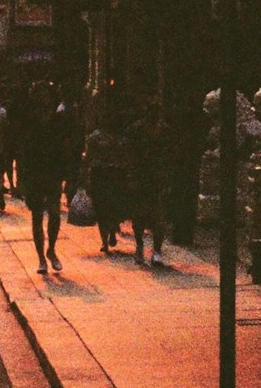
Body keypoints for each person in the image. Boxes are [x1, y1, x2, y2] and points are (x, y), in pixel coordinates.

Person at [22, 88, 73, 273]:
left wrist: (68, 175)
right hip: (35, 174)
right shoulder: (31, 124)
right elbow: (24, 152)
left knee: (54, 212)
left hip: (53, 173)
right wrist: (22, 179)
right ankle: (41, 258)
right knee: (37, 216)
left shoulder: (58, 123)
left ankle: (51, 249)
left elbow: (65, 149)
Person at [83, 108, 130, 254]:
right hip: (100, 175)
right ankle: (104, 240)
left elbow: (126, 157)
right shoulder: (95, 137)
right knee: (101, 209)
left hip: (117, 175)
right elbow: (88, 157)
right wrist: (84, 175)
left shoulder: (122, 138)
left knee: (115, 206)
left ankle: (112, 230)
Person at [128, 103, 169, 265]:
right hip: (141, 176)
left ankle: (157, 250)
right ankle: (139, 246)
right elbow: (130, 154)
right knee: (139, 214)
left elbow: (168, 154)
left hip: (157, 177)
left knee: (159, 215)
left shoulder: (164, 130)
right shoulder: (136, 129)